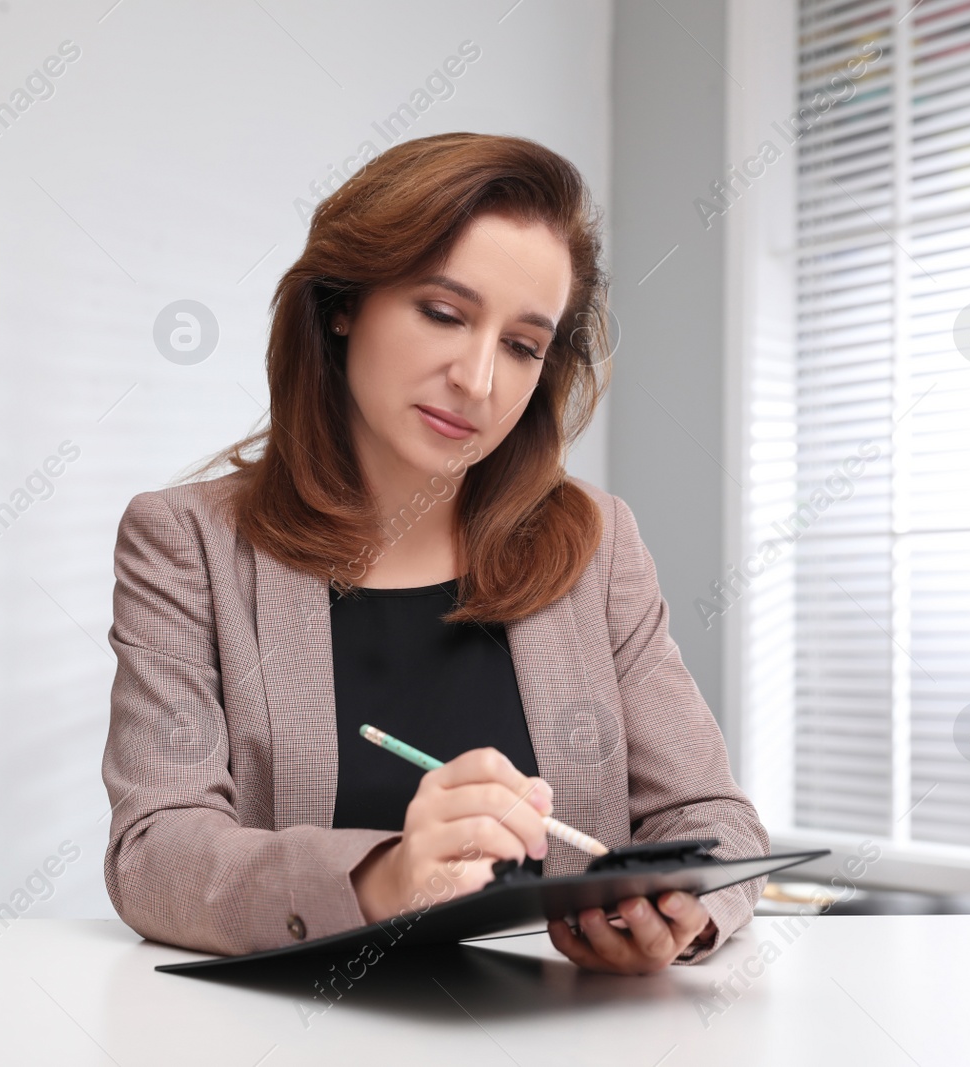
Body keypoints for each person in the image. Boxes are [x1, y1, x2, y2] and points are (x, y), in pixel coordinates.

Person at [101, 131, 769, 974]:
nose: (480, 380)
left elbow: (714, 819)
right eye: (444, 313)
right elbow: (154, 855)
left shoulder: (597, 543)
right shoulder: (187, 543)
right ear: (342, 304)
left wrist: (682, 914)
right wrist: (384, 877)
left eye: (524, 345)